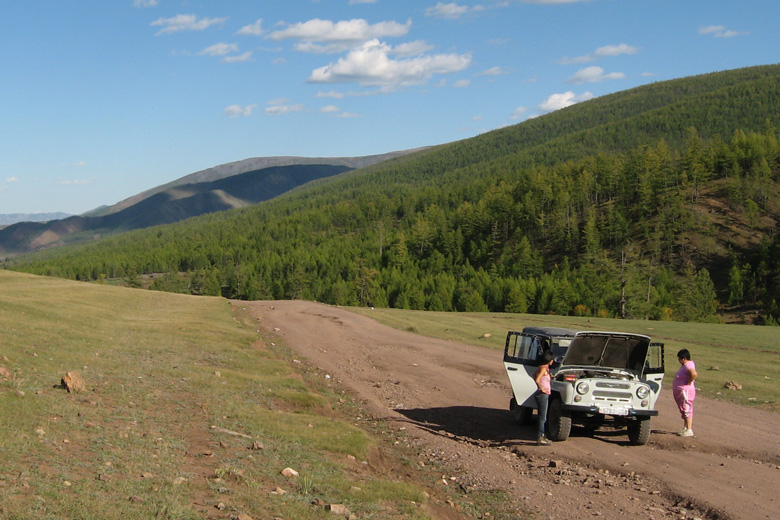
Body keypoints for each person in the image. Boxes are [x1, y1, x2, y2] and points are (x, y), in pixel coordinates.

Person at [673, 349, 698, 437]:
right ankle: (685, 427)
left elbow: (694, 374)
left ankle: (689, 429)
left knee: (687, 408)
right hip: (682, 391)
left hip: (685, 391)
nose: (679, 360)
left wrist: (689, 381)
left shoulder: (688, 365)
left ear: (683, 358)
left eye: (679, 359)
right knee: (684, 409)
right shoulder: (686, 365)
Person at [534, 350, 555, 445]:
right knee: (542, 418)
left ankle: (542, 436)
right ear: (550, 360)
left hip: (540, 394)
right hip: (543, 395)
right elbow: (537, 379)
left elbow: (534, 375)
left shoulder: (542, 368)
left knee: (542, 417)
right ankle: (540, 437)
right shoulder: (544, 369)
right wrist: (542, 388)